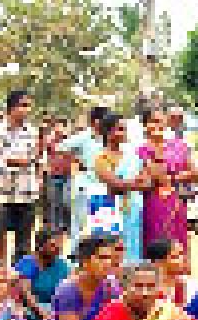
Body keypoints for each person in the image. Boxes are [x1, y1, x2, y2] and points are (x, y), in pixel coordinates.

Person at [0, 90, 42, 262]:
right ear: (11, 107)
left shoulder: (32, 132)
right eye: (23, 105)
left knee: (23, 245)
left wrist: (37, 181)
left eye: (29, 106)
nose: (27, 110)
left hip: (27, 194)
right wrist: (9, 163)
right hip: (2, 194)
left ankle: (18, 283)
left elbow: (36, 159)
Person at [48, 234, 119, 320]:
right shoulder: (68, 291)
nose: (108, 263)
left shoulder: (110, 287)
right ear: (85, 261)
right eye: (102, 258)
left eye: (110, 258)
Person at [87, 112, 146, 261]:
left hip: (131, 210)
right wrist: (134, 184)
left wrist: (126, 185)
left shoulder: (132, 156)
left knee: (131, 249)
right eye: (120, 129)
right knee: (109, 251)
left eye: (125, 129)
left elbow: (147, 182)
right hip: (107, 211)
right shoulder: (100, 157)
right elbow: (114, 184)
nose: (124, 133)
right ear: (108, 132)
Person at [137, 107, 196, 253]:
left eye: (161, 121)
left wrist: (172, 178)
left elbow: (195, 173)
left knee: (178, 239)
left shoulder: (179, 145)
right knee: (157, 240)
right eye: (153, 121)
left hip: (176, 200)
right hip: (153, 201)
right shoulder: (140, 149)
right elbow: (157, 175)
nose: (158, 125)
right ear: (145, 125)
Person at [59, 106, 107, 244]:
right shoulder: (85, 136)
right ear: (97, 121)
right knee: (80, 223)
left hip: (102, 186)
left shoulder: (107, 137)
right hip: (84, 185)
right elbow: (61, 147)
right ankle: (76, 255)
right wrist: (77, 159)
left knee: (99, 222)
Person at [14, 227, 73, 320]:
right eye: (53, 245)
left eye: (60, 245)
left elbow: (68, 288)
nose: (58, 248)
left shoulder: (62, 266)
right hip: (28, 313)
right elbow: (25, 293)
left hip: (53, 312)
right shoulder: (27, 263)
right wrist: (42, 312)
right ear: (40, 245)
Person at [42, 120, 74, 234]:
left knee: (67, 201)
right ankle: (55, 227)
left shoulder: (70, 140)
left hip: (68, 175)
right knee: (54, 202)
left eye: (62, 126)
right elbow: (42, 152)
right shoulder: (49, 140)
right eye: (57, 126)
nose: (60, 128)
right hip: (53, 175)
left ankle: (67, 225)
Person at [145, 238, 196, 305]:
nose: (183, 259)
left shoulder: (190, 285)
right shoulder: (146, 289)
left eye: (182, 255)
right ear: (158, 262)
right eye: (176, 256)